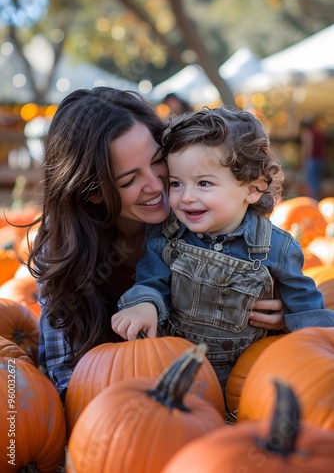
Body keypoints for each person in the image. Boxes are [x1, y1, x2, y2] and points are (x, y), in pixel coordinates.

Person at [26, 88, 285, 401]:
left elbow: (265, 260)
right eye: (129, 180)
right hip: (124, 406)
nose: (155, 185)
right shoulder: (63, 252)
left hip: (218, 389)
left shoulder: (197, 215)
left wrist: (281, 311)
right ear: (93, 192)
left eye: (158, 161)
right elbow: (67, 379)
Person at [112, 107, 334, 390]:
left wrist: (322, 342)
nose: (186, 197)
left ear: (253, 188)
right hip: (177, 374)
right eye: (176, 183)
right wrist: (144, 304)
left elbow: (305, 307)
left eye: (204, 183)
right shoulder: (166, 236)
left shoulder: (276, 247)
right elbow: (152, 281)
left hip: (249, 378)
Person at [299, 116, 326, 200]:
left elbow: (308, 147)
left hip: (312, 160)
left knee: (311, 183)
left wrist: (303, 160)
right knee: (317, 182)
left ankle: (312, 202)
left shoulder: (307, 133)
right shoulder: (320, 132)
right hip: (320, 160)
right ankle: (318, 200)